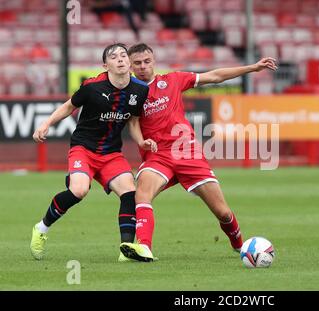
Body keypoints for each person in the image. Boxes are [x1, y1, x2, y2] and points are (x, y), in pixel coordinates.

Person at [118, 43, 278, 261]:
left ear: (153, 61)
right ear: (130, 66)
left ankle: (240, 246)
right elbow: (133, 123)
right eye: (137, 63)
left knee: (222, 212)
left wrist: (252, 68)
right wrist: (141, 141)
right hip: (158, 156)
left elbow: (214, 76)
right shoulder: (131, 93)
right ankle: (144, 247)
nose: (143, 67)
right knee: (142, 194)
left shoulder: (173, 80)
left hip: (187, 153)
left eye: (146, 62)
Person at [30, 43, 156, 262]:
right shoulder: (92, 86)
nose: (120, 59)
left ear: (128, 61)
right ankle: (41, 228)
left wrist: (141, 141)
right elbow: (69, 106)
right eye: (114, 57)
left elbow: (133, 121)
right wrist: (46, 123)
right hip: (84, 148)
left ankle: (125, 248)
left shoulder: (140, 90)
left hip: (111, 154)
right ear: (105, 65)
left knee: (129, 193)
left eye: (124, 55)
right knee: (78, 191)